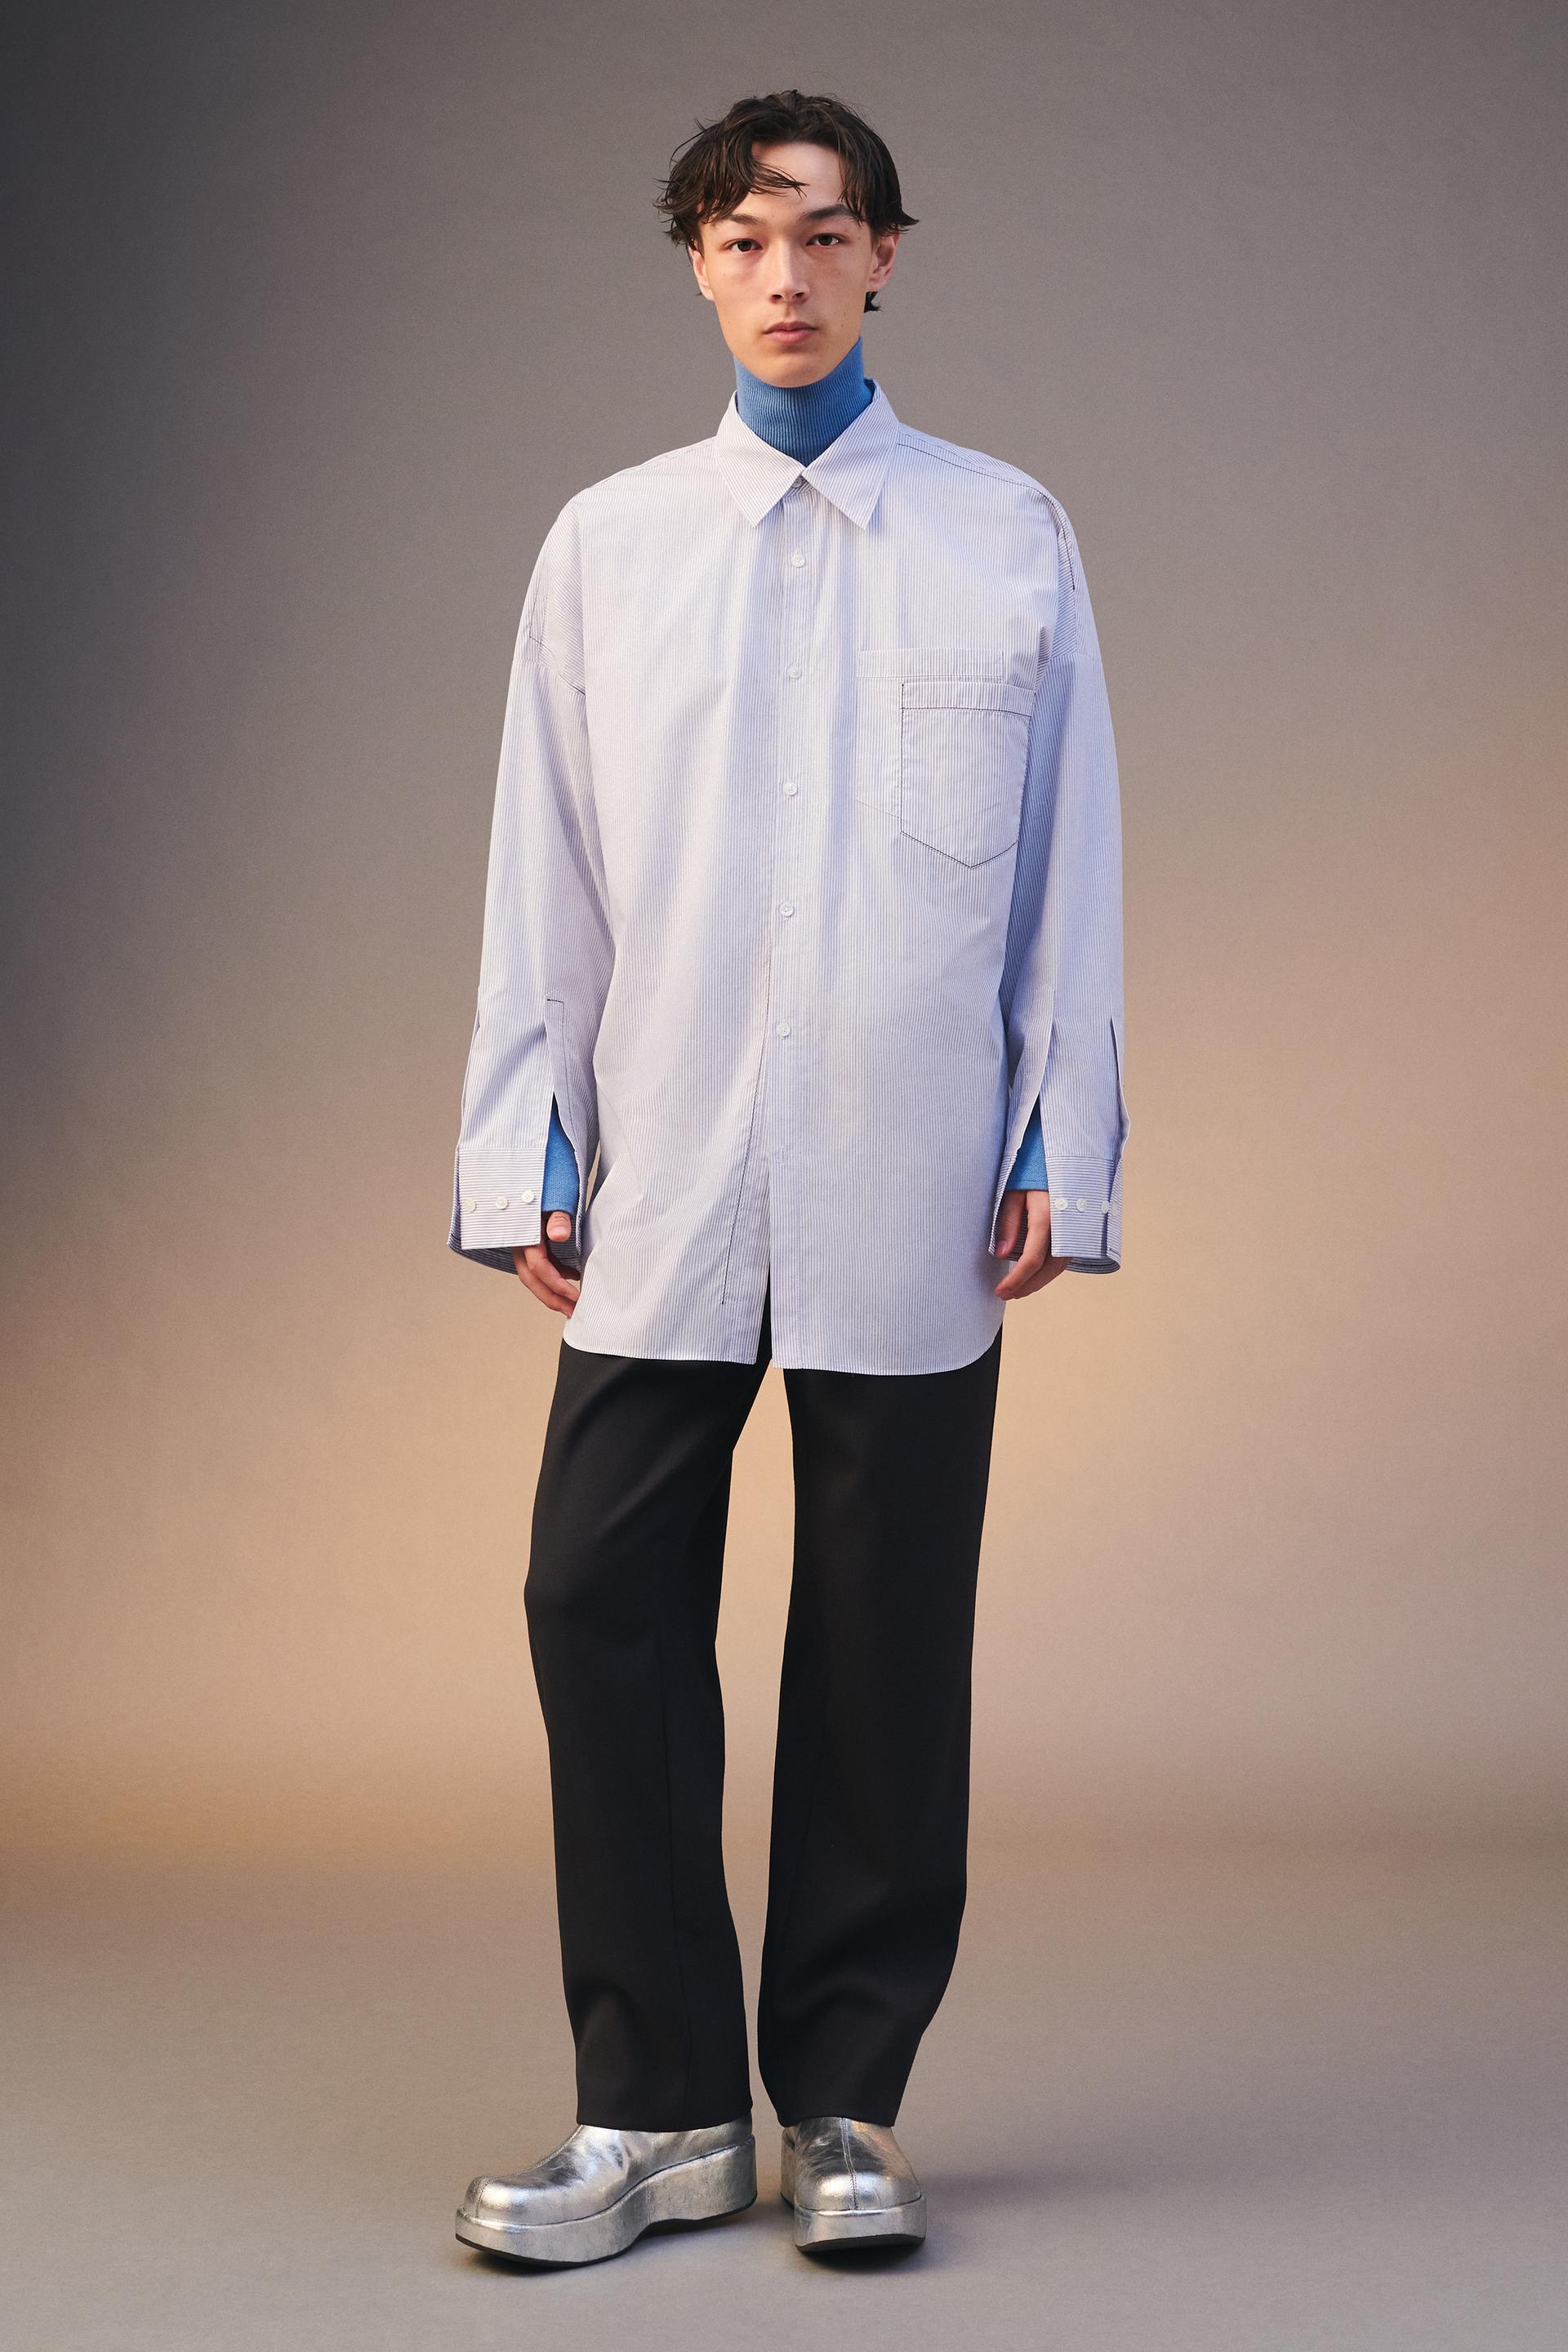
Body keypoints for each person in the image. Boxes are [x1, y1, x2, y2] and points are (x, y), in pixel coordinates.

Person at [447, 87, 1128, 2267]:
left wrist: (1059, 1126)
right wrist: (529, 1129)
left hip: (908, 1162)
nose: (787, 275)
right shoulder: (611, 544)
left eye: (825, 235)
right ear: (698, 266)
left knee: (882, 1634)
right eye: (744, 239)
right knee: (597, 1593)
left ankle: (844, 2101)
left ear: (885, 258)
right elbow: (544, 855)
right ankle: (656, 2111)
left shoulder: (1003, 533)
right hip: (673, 1161)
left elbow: (1071, 850)